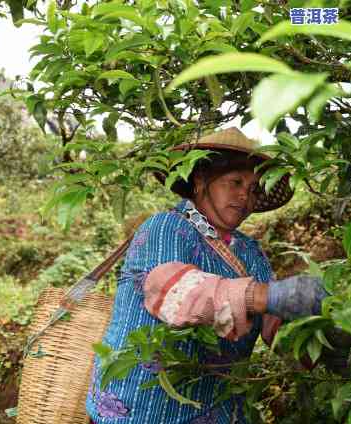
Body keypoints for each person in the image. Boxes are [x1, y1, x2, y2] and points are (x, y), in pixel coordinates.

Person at [85, 128, 327, 424]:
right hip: (141, 411)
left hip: (215, 409)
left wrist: (315, 336)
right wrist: (265, 295)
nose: (244, 196)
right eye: (235, 182)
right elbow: (179, 293)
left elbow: (274, 326)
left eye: (252, 189)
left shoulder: (252, 254)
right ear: (200, 181)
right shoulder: (165, 228)